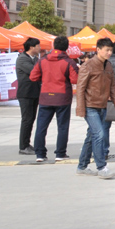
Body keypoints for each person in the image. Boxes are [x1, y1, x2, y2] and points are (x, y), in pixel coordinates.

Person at [75, 38, 115, 179]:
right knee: (99, 134)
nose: (109, 53)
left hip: (103, 106)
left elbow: (112, 87)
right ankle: (102, 167)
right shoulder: (88, 65)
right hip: (90, 106)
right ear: (98, 50)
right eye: (107, 50)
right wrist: (80, 108)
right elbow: (80, 88)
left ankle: (82, 166)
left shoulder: (108, 65)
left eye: (110, 50)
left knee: (92, 136)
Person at [30, 35, 79, 163]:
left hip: (46, 96)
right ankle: (60, 153)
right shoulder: (69, 62)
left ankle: (40, 154)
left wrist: (45, 78)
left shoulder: (42, 61)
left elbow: (33, 77)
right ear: (66, 47)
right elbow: (75, 80)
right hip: (62, 97)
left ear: (53, 46)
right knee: (62, 127)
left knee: (41, 126)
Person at [15, 38, 42, 155]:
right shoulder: (22, 59)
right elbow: (35, 71)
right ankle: (23, 146)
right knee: (26, 119)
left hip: (35, 92)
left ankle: (27, 143)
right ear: (31, 47)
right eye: (38, 46)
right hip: (25, 93)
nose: (40, 48)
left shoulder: (35, 59)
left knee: (31, 119)